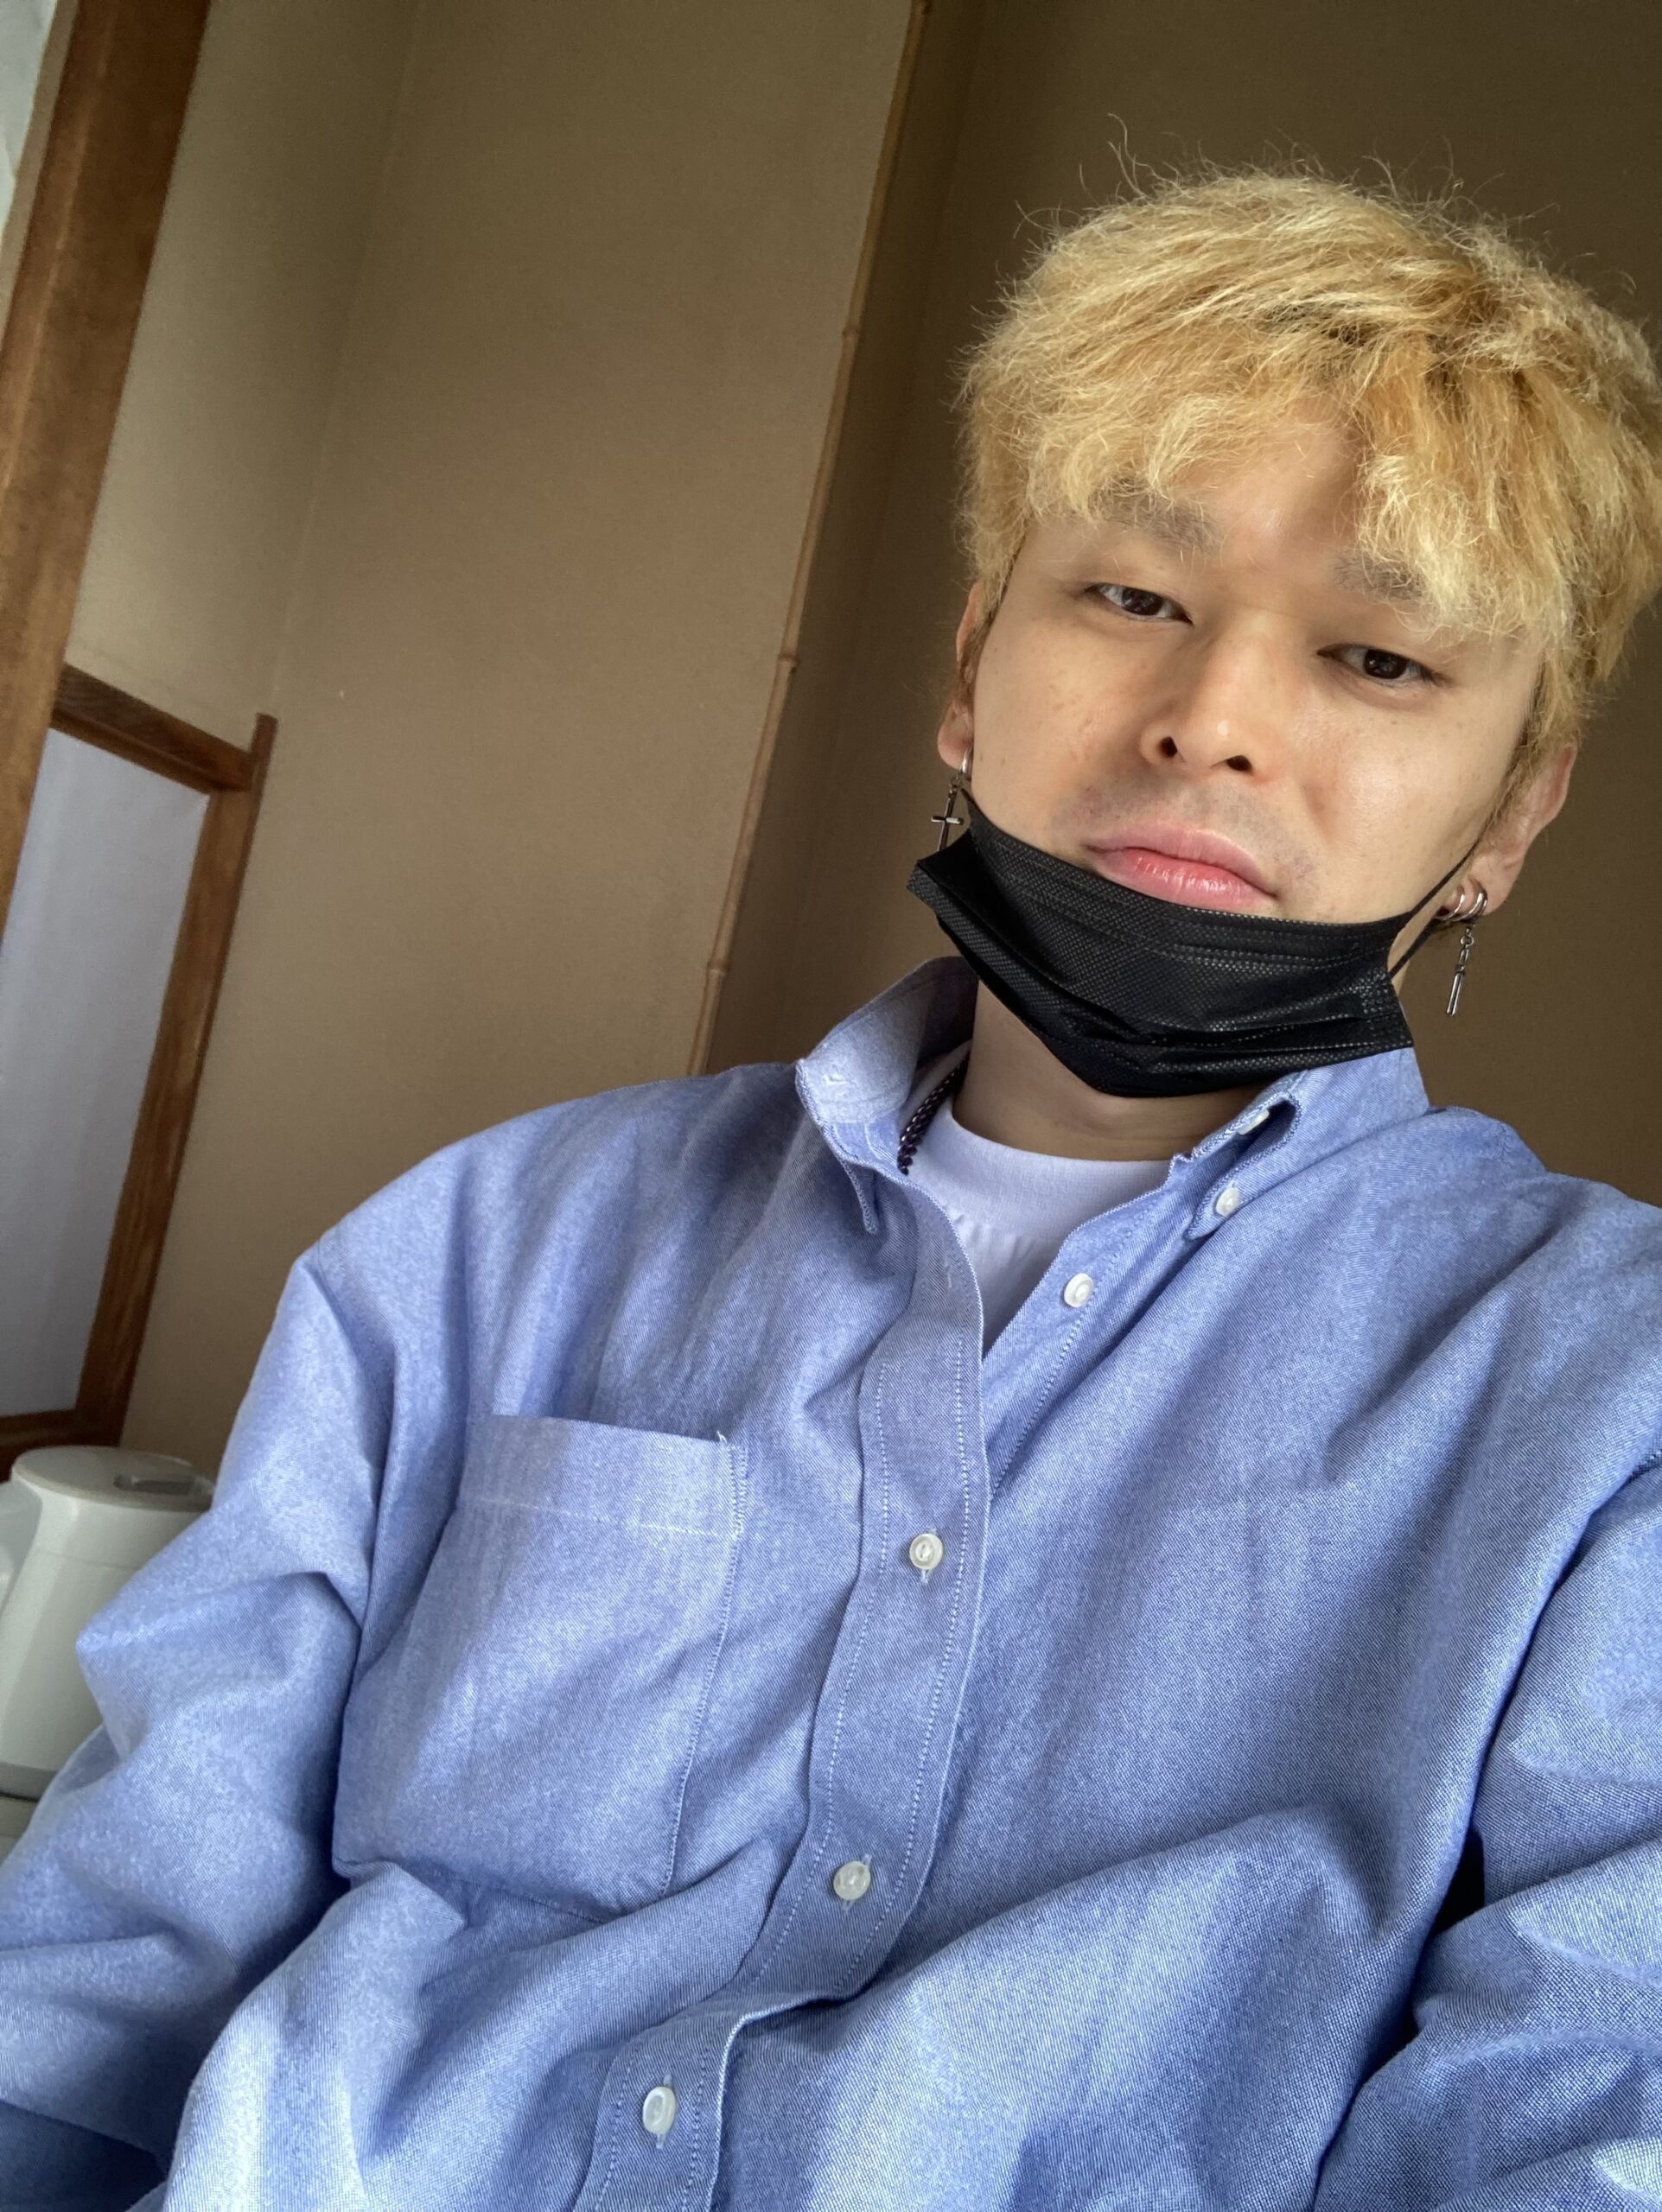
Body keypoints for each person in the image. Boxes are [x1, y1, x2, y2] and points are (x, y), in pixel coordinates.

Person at [3, 167, 1661, 2212]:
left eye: (1378, 658)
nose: (1210, 721)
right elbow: (112, 1965)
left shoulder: (1607, 1400)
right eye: (1131, 596)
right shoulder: (470, 1252)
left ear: (1510, 811)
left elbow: (1585, 2117)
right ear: (969, 667)